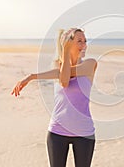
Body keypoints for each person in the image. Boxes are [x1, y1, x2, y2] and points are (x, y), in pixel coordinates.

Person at [11, 28, 97, 167]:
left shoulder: (90, 64)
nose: (84, 45)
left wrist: (33, 76)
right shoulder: (57, 65)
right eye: (79, 41)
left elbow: (64, 79)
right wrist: (32, 77)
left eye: (85, 41)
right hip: (57, 131)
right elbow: (63, 76)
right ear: (66, 45)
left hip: (84, 133)